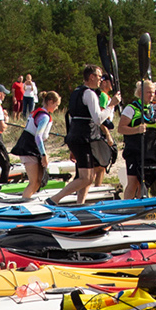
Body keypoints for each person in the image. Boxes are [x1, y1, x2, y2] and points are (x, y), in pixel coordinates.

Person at [50, 65, 110, 206]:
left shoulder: (76, 92)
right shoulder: (89, 93)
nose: (101, 80)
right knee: (87, 177)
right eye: (99, 76)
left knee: (87, 175)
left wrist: (72, 146)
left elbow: (70, 118)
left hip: (75, 137)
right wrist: (111, 106)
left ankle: (80, 203)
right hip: (84, 138)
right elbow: (98, 118)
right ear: (92, 77)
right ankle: (54, 199)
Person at [119, 80, 156, 199]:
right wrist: (136, 130)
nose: (152, 95)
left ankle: (142, 205)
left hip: (150, 151)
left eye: (153, 92)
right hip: (134, 151)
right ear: (140, 93)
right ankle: (127, 207)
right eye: (148, 92)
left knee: (144, 183)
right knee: (133, 182)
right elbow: (121, 128)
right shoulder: (131, 108)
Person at [11, 90, 57, 199]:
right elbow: (38, 136)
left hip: (30, 146)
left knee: (37, 182)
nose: (56, 108)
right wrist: (44, 155)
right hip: (29, 147)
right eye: (56, 105)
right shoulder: (44, 116)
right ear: (50, 102)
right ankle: (23, 205)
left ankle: (28, 200)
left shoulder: (38, 112)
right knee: (33, 182)